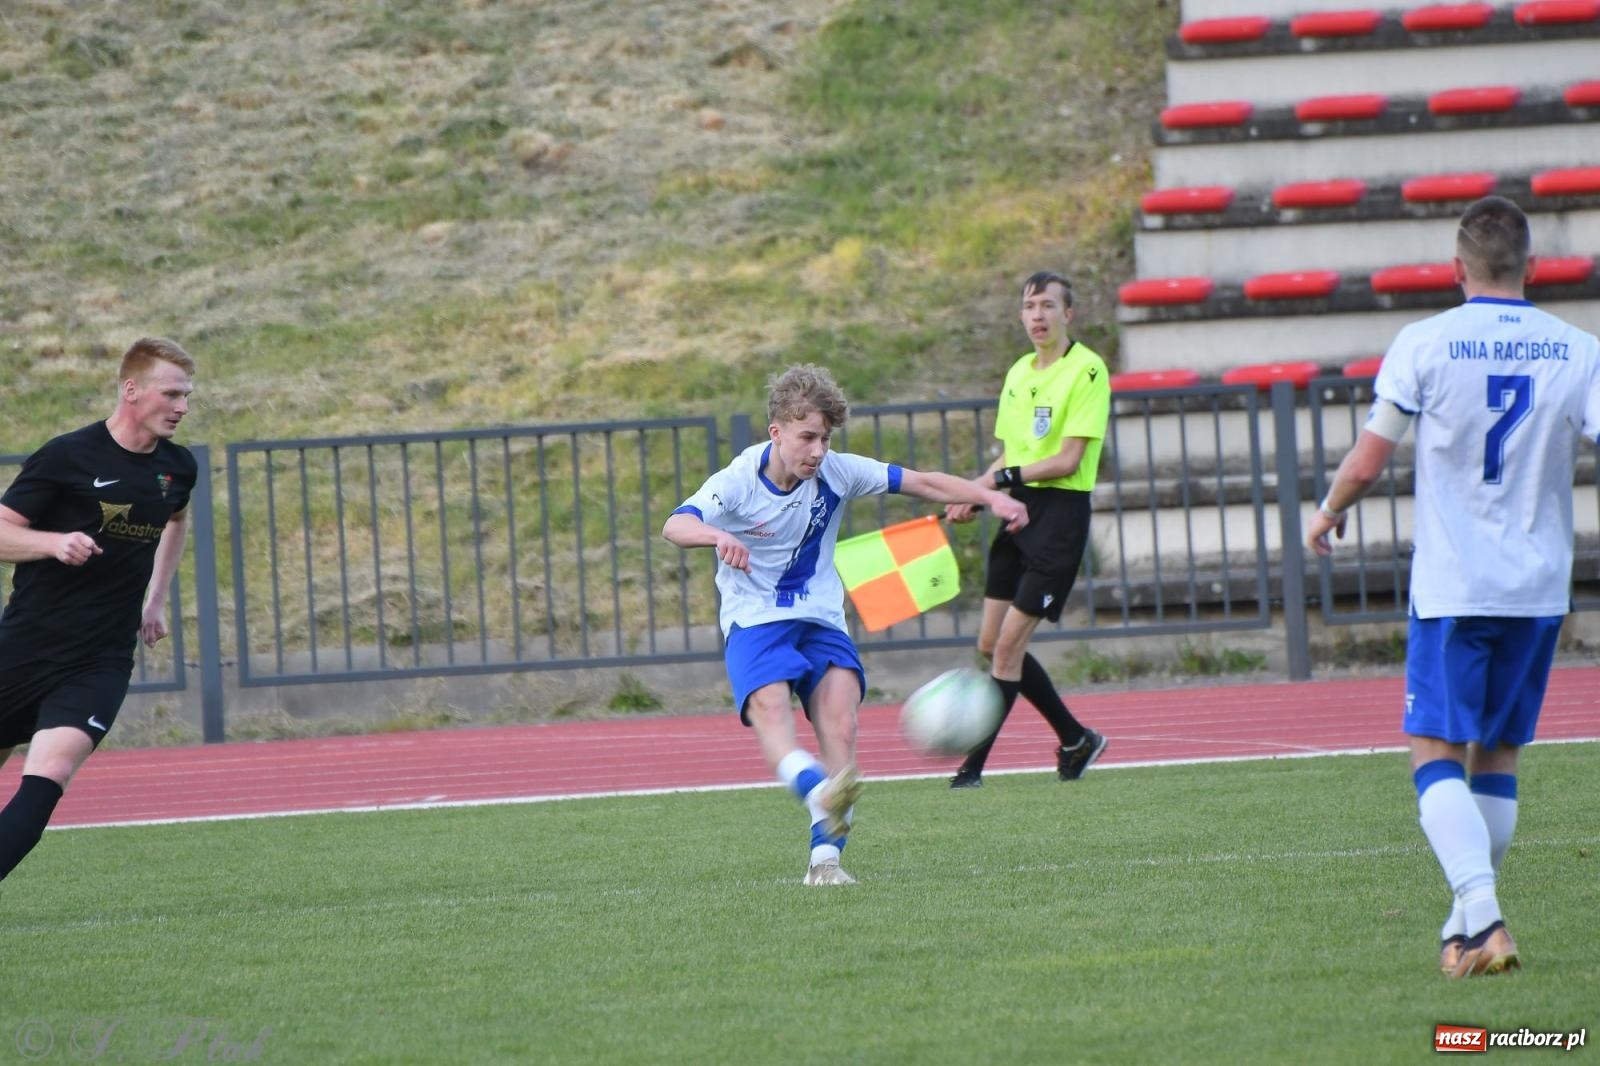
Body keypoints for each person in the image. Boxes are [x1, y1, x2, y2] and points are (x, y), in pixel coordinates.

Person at [1305, 196, 1600, 978]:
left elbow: (1368, 461)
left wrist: (1329, 510)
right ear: (1530, 265)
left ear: (1456, 268)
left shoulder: (1424, 342)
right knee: (1496, 757)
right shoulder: (1578, 349)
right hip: (1536, 585)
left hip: (1453, 584)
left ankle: (1489, 918)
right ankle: (1463, 928)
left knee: (1433, 752)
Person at [663, 363, 1029, 886]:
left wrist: (989, 497)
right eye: (807, 437)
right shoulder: (738, 482)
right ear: (777, 432)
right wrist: (716, 537)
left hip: (819, 615)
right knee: (771, 709)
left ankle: (825, 862)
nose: (817, 450)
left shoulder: (836, 470)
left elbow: (922, 482)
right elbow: (676, 524)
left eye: (825, 438)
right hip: (755, 618)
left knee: (842, 726)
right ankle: (816, 787)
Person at [0, 337, 198, 884]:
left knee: (51, 771)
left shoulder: (178, 468)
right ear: (132, 390)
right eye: (172, 393)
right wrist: (52, 544)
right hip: (25, 647)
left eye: (187, 396)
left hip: (100, 659)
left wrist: (155, 599)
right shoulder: (67, 455)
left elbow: (175, 520)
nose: (182, 407)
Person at [943, 271, 1112, 788]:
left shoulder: (1087, 371)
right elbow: (1013, 455)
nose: (1037, 315)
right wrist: (978, 491)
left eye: (1048, 305)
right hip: (1019, 513)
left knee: (1009, 649)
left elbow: (1066, 459)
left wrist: (1000, 480)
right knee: (990, 643)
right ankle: (1077, 739)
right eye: (1030, 306)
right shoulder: (1018, 372)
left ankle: (971, 767)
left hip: (1059, 517)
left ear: (1068, 314)